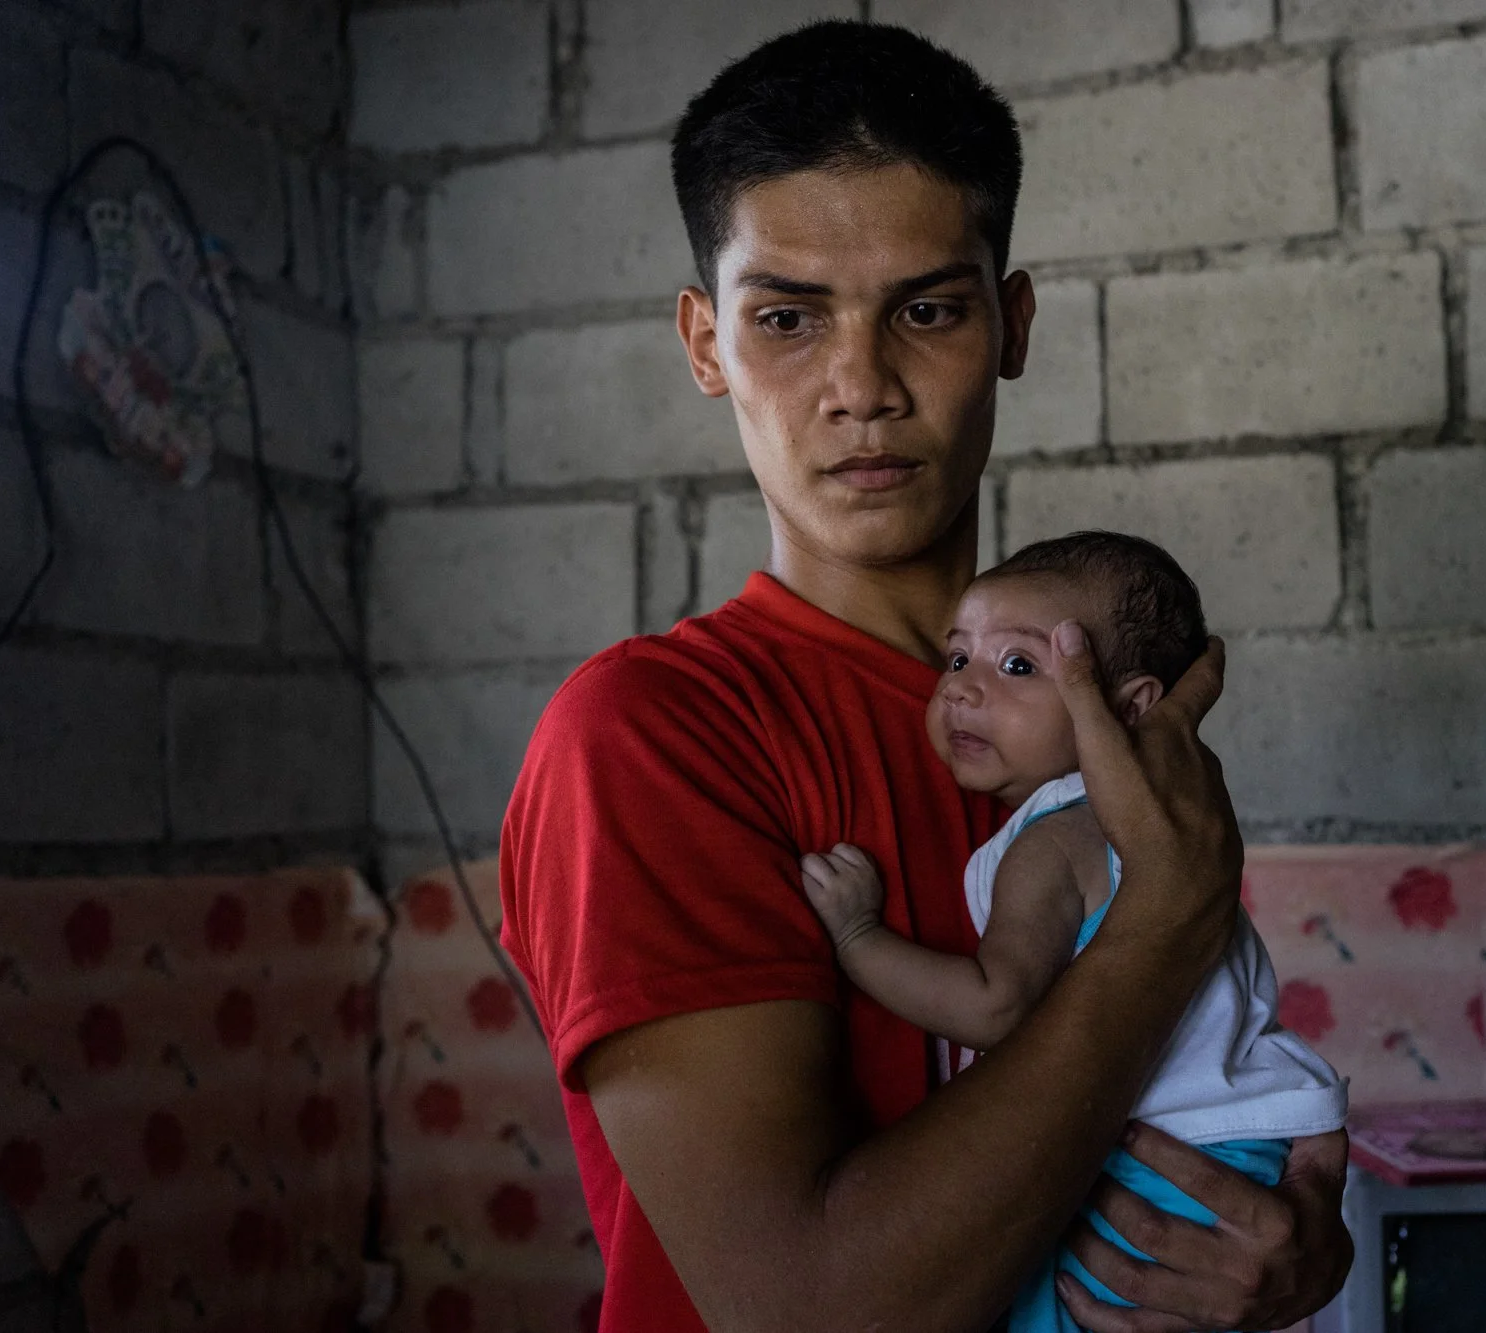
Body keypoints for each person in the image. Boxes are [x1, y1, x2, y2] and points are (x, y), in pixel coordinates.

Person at [498, 20, 1352, 1332]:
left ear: (1009, 325)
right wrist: (1161, 925)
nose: (861, 386)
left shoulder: (1085, 709)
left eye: (929, 310)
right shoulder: (652, 736)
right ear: (705, 342)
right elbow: (809, 1310)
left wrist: (1290, 1244)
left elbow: (1206, 1109)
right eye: (786, 317)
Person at [799, 531, 1349, 1332]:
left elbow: (995, 1004)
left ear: (1128, 707)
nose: (962, 690)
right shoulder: (1151, 832)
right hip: (1234, 1154)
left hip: (1154, 1169)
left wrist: (856, 937)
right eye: (957, 659)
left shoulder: (1056, 837)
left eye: (1016, 666)